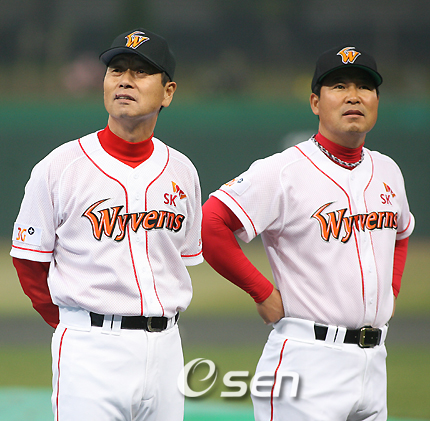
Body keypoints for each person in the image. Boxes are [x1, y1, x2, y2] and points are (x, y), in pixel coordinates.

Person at [202, 45, 414, 420]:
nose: (353, 96)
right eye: (339, 86)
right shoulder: (284, 170)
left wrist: (392, 291)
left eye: (365, 86)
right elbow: (210, 223)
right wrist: (262, 291)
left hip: (373, 362)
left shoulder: (388, 170)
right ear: (315, 102)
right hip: (307, 357)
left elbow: (401, 232)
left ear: (377, 101)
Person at [11, 28, 203, 421]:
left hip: (167, 349)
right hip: (90, 349)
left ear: (168, 92)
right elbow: (29, 263)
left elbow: (181, 259)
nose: (125, 80)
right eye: (117, 69)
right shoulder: (60, 167)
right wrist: (75, 325)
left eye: (141, 71)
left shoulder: (182, 171)